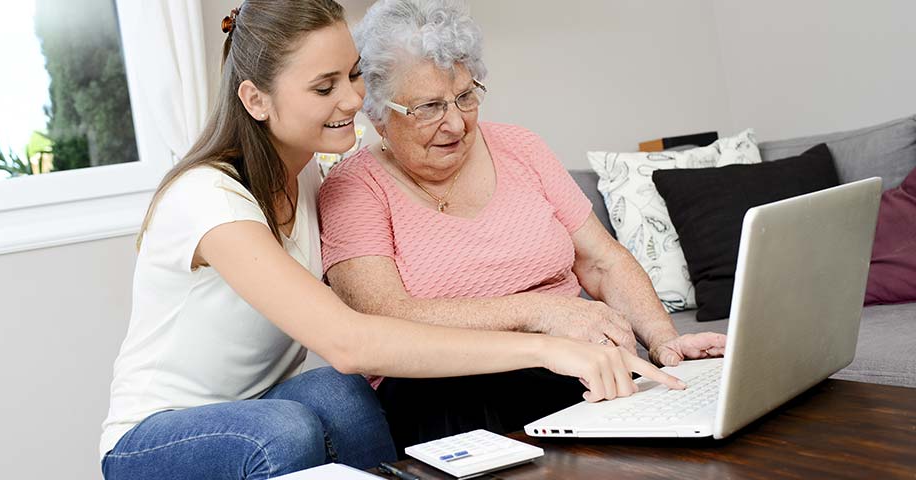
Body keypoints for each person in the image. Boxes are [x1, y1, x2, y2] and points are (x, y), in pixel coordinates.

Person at [100, 1, 684, 478]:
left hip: (259, 400)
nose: (354, 100)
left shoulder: (304, 172)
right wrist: (544, 339)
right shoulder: (209, 197)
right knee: (290, 429)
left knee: (344, 397)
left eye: (353, 75)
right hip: (159, 432)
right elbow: (355, 339)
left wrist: (654, 337)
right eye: (324, 87)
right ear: (255, 100)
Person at [318, 0, 727, 451]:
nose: (455, 122)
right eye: (430, 107)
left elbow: (603, 261)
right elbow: (385, 314)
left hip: (569, 360)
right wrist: (541, 313)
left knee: (687, 424)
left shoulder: (521, 148)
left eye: (465, 96)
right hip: (445, 382)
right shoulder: (354, 186)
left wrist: (666, 342)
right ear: (377, 113)